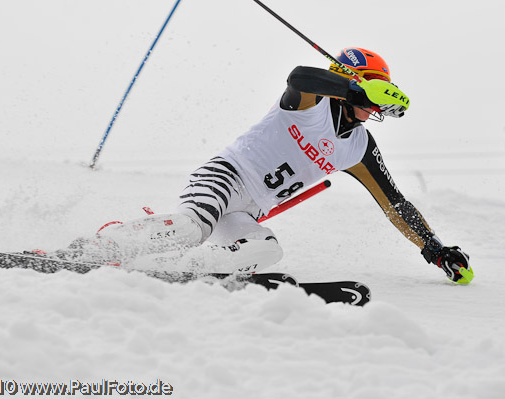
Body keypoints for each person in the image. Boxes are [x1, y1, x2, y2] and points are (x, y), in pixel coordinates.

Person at [59, 47, 473, 284]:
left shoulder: (359, 147)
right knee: (191, 227)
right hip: (225, 176)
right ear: (352, 82)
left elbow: (394, 204)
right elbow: (299, 76)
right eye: (373, 95)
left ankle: (180, 269)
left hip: (248, 209)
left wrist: (434, 250)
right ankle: (92, 247)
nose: (373, 108)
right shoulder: (311, 103)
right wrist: (351, 85)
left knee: (268, 249)